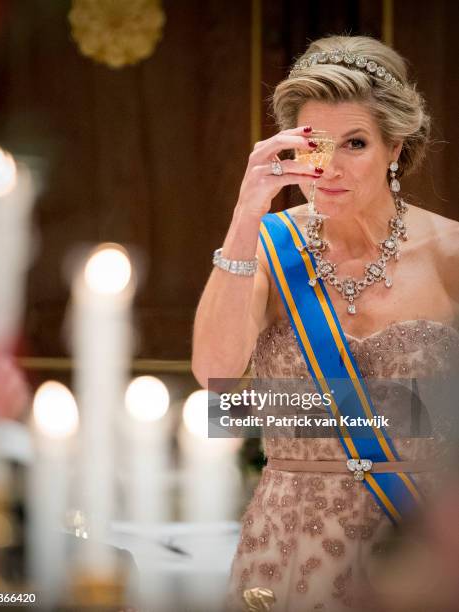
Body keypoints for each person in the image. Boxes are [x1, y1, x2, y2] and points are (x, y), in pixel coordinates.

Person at [192, 34, 459, 612]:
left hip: (418, 541)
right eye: (315, 145)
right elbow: (216, 388)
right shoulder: (268, 245)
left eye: (355, 143)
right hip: (287, 537)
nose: (330, 168)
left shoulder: (451, 254)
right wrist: (246, 213)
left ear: (396, 145)